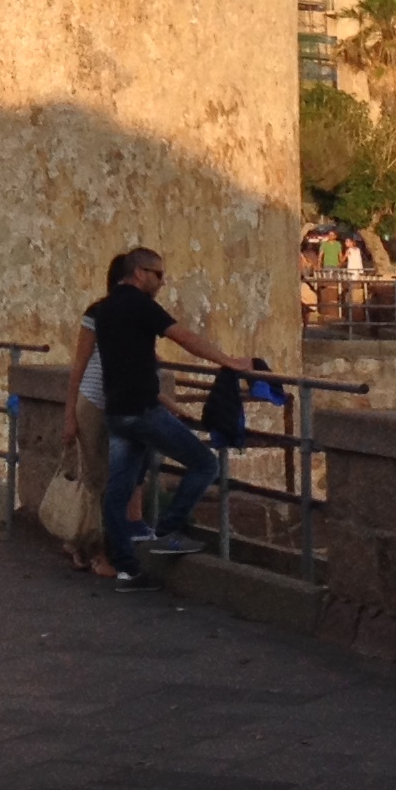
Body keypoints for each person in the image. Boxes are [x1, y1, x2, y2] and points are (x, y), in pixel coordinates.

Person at [92, 246, 256, 586]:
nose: (162, 282)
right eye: (158, 275)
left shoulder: (103, 309)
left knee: (118, 490)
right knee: (205, 464)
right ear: (139, 273)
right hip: (143, 410)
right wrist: (228, 361)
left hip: (117, 410)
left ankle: (126, 568)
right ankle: (167, 533)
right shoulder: (141, 305)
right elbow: (184, 337)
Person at [56, 252, 135, 580]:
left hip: (117, 403)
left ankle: (79, 544)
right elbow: (80, 364)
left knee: (111, 477)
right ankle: (95, 553)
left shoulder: (136, 313)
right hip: (92, 401)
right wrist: (70, 414)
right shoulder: (97, 313)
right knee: (95, 479)